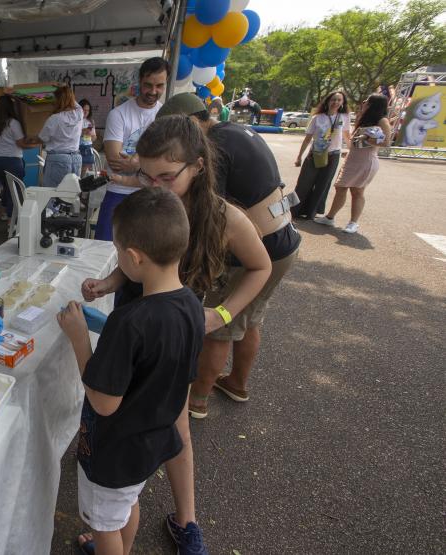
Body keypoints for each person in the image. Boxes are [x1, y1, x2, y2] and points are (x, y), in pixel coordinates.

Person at [82, 116, 271, 553]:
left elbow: (261, 267)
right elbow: (134, 253)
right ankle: (118, 508)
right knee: (126, 417)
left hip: (176, 328)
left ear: (198, 167)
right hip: (136, 317)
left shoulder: (224, 217)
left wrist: (220, 315)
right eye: (146, 175)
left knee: (173, 421)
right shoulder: (153, 201)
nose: (155, 186)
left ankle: (186, 521)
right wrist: (110, 284)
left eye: (167, 176)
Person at [58, 187, 206, 555]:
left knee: (104, 524)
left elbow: (103, 403)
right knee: (125, 507)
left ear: (134, 257)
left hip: (114, 452)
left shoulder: (129, 321)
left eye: (117, 251)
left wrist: (80, 339)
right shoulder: (192, 306)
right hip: (150, 443)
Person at [157, 93, 301, 418]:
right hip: (283, 240)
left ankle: (196, 401)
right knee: (248, 318)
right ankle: (236, 383)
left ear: (193, 122)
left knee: (220, 323)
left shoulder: (212, 149)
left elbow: (204, 218)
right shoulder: (235, 131)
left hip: (255, 248)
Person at [96, 57, 170, 241]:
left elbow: (167, 164)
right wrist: (151, 165)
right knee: (104, 250)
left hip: (152, 196)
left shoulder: (166, 117)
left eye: (159, 86)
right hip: (118, 192)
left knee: (145, 256)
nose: (153, 91)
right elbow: (115, 160)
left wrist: (138, 163)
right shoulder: (118, 114)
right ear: (139, 81)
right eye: (148, 85)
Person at [314, 94, 392, 234]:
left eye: (367, 101)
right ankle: (330, 217)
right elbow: (354, 139)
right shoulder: (365, 119)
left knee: (357, 191)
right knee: (340, 187)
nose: (364, 103)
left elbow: (386, 142)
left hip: (366, 161)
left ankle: (353, 223)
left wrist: (366, 140)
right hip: (353, 159)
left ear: (374, 105)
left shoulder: (382, 121)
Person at [292, 91, 351, 220]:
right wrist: (299, 156)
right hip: (316, 154)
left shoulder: (344, 117)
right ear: (327, 101)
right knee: (304, 183)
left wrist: (351, 150)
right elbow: (308, 138)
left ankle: (311, 213)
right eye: (333, 100)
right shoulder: (317, 118)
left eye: (339, 100)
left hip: (333, 154)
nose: (335, 102)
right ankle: (295, 210)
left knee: (323, 185)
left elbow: (346, 136)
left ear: (342, 103)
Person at [0, 94, 41, 220]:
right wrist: (39, 143)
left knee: (8, 188)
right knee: (15, 192)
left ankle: (6, 214)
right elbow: (21, 144)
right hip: (12, 161)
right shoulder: (13, 123)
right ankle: (11, 221)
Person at [38, 85, 83, 187]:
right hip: (76, 159)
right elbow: (76, 104)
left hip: (57, 159)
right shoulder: (80, 113)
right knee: (70, 194)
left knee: (52, 194)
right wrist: (66, 91)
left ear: (58, 100)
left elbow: (42, 138)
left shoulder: (55, 118)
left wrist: (32, 138)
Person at [78, 99, 97, 176]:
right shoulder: (75, 120)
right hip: (77, 147)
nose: (86, 112)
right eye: (84, 110)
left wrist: (90, 136)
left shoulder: (90, 121)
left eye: (88, 110)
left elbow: (94, 137)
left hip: (87, 146)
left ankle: (81, 182)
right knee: (76, 168)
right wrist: (81, 133)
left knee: (85, 168)